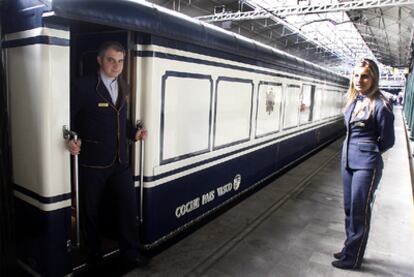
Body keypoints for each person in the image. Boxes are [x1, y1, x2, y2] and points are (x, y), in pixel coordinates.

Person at [67, 41, 148, 269]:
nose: (116, 65)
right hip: (92, 162)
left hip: (121, 160)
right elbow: (69, 118)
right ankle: (94, 255)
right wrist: (71, 138)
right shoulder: (83, 86)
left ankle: (130, 252)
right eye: (111, 60)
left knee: (128, 207)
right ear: (100, 60)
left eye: (121, 61)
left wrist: (134, 132)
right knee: (90, 211)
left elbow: (121, 118)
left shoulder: (124, 85)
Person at [332, 58, 395, 269]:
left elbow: (388, 141)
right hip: (348, 162)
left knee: (360, 211)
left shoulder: (381, 105)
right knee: (350, 209)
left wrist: (368, 152)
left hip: (366, 165)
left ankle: (354, 258)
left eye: (365, 76)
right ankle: (350, 247)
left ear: (374, 78)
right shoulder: (354, 100)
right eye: (357, 75)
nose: (359, 80)